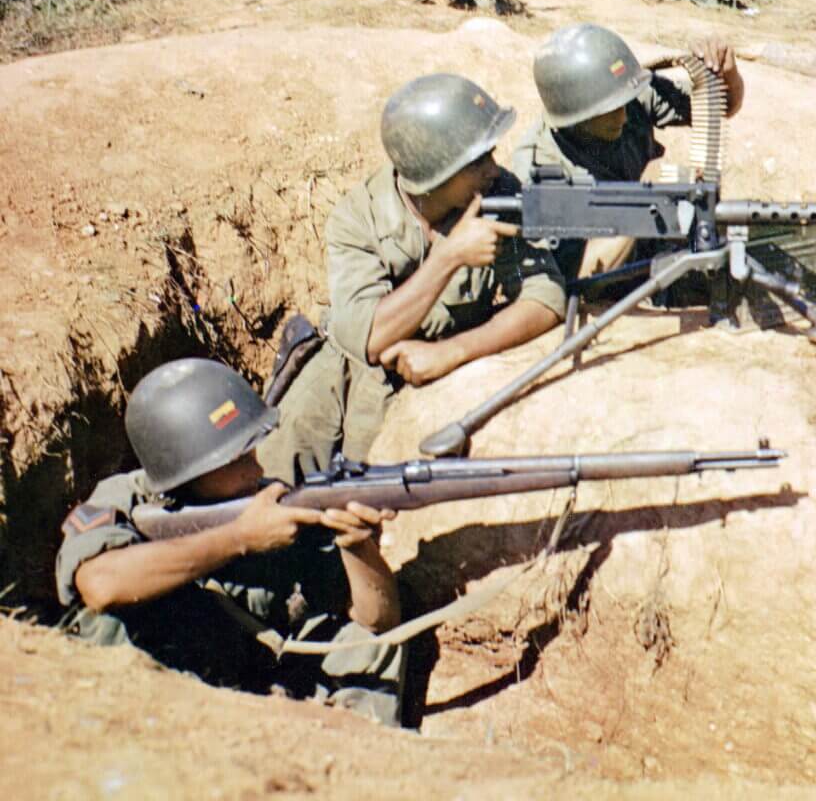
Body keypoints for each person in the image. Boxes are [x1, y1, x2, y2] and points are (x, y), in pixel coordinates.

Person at [55, 359, 404, 725]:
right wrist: (240, 538)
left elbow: (376, 623)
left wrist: (356, 544)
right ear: (188, 468)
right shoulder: (125, 501)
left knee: (367, 647)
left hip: (245, 687)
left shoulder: (270, 503)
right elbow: (101, 584)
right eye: (236, 460)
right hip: (147, 698)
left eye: (251, 453)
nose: (255, 471)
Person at [258, 74, 566, 478]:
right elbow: (369, 339)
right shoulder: (357, 219)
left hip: (446, 369)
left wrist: (452, 352)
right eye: (477, 162)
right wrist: (449, 257)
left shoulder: (498, 192)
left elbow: (547, 298)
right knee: (279, 479)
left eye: (490, 154)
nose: (494, 168)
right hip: (350, 380)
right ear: (436, 172)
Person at [511, 23, 745, 281]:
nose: (623, 116)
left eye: (623, 104)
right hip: (610, 289)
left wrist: (727, 73)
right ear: (575, 115)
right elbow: (571, 276)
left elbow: (721, 105)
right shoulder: (538, 168)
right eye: (609, 111)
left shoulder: (625, 94)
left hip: (656, 252)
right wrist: (644, 198)